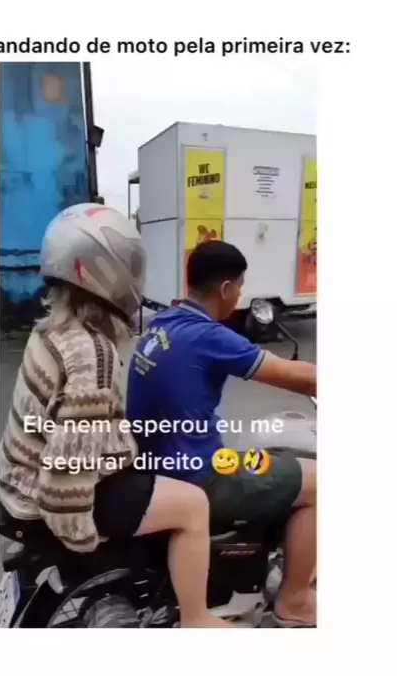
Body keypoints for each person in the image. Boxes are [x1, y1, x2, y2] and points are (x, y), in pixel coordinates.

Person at [0, 203, 233, 628]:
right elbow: (67, 471)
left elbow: (68, 430)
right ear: (107, 272)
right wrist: (83, 543)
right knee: (194, 504)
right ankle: (198, 619)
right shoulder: (92, 353)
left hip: (18, 486)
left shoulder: (51, 330)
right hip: (51, 501)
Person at [126, 239, 317, 627]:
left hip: (154, 464)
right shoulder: (209, 336)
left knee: (271, 457)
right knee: (320, 482)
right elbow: (300, 377)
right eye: (240, 288)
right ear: (227, 288)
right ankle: (295, 601)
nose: (239, 297)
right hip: (199, 474)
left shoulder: (163, 323)